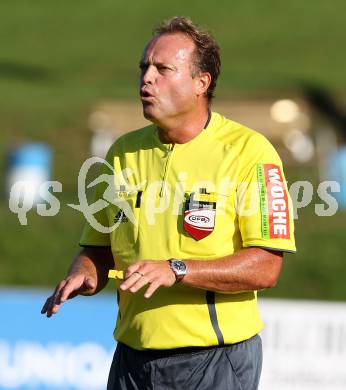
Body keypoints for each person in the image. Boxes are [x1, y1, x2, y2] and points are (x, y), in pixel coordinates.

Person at [42, 16, 296, 389]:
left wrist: (177, 268)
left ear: (201, 83)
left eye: (163, 69)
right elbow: (97, 250)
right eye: (145, 67)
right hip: (131, 359)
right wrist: (83, 275)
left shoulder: (250, 153)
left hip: (214, 359)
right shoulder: (121, 153)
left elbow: (266, 266)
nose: (147, 78)